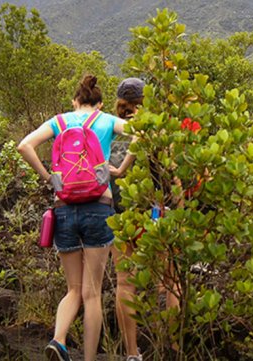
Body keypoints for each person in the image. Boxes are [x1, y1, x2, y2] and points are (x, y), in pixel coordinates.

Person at [17, 75, 131, 361]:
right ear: (100, 103)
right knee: (92, 293)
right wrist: (119, 168)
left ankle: (59, 339)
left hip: (64, 208)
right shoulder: (106, 120)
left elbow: (24, 146)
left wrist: (48, 178)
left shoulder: (59, 121)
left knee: (73, 289)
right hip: (99, 207)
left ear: (74, 101)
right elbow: (144, 133)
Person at [110, 77, 144, 361]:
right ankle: (170, 347)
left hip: (117, 215)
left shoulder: (109, 127)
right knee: (165, 280)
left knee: (125, 282)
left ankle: (132, 353)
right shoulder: (152, 128)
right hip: (152, 213)